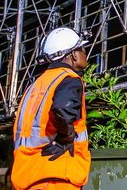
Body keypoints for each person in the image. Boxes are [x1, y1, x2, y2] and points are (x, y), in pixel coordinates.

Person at [11, 27, 91, 190]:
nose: (84, 54)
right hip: (57, 174)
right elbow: (62, 109)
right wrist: (66, 139)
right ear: (73, 55)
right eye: (81, 49)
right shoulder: (68, 79)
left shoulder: (35, 86)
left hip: (29, 175)